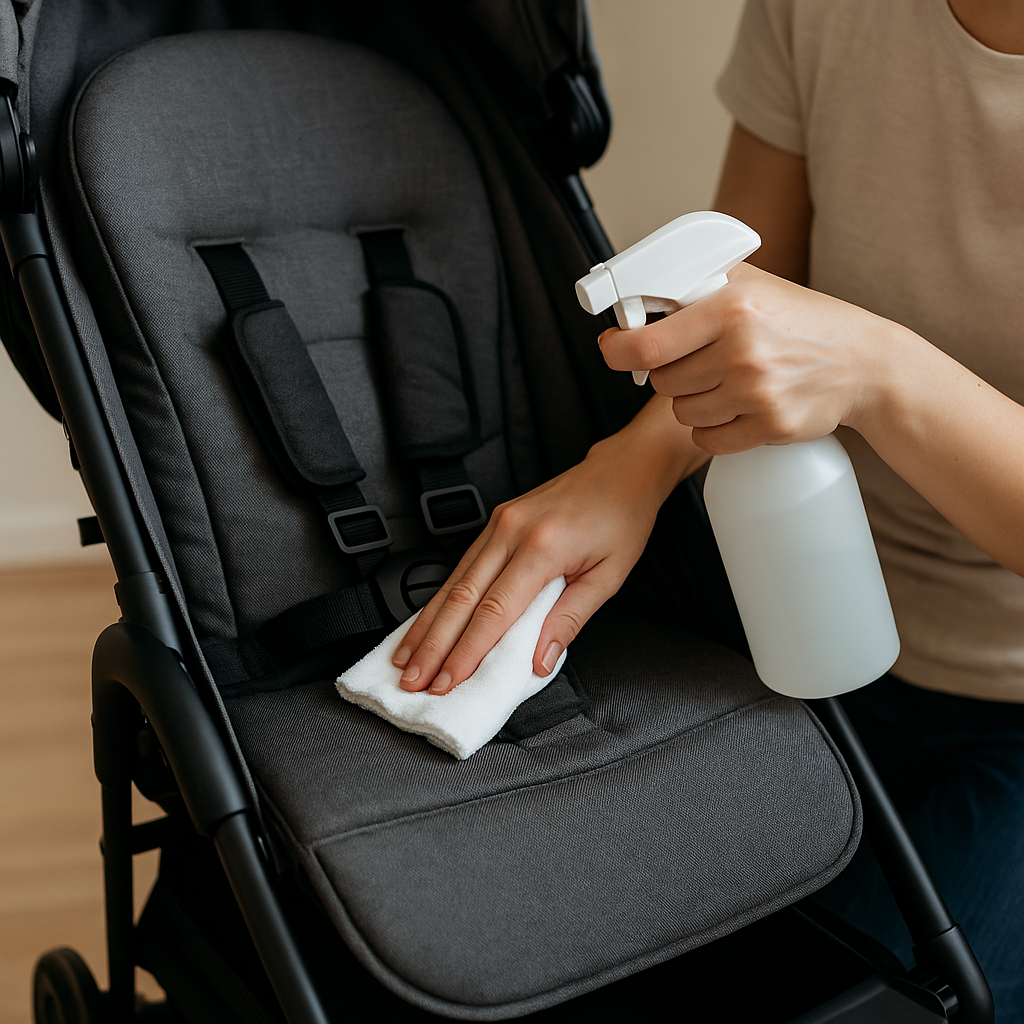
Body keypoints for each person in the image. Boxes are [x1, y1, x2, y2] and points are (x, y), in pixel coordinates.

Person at [393, 0, 1024, 1013]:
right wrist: (626, 470)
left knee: (898, 994)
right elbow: (752, 292)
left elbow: (834, 349)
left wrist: (882, 371)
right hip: (817, 616)